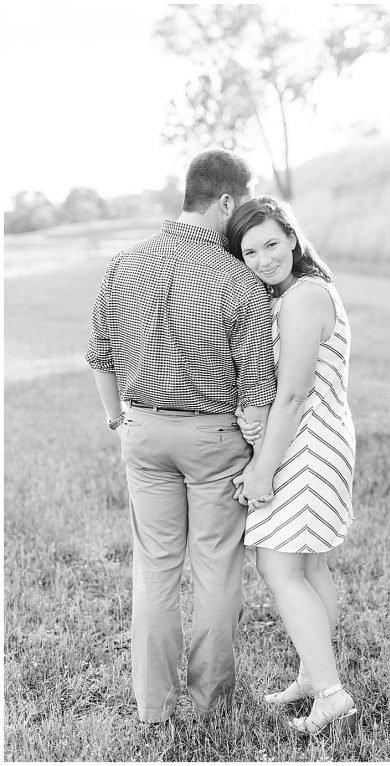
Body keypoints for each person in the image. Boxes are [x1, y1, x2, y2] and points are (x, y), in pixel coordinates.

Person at [86, 149, 274, 724]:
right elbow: (258, 387)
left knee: (156, 569)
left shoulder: (125, 263)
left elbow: (99, 356)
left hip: (143, 432)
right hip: (215, 439)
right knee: (216, 568)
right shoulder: (238, 277)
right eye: (240, 205)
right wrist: (259, 451)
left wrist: (121, 421)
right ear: (225, 201)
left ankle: (153, 705)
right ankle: (208, 704)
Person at [227, 195, 358, 735]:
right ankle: (312, 675)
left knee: (278, 568)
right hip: (319, 438)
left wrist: (261, 468)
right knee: (310, 566)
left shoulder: (304, 298)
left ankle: (331, 695)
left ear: (293, 236)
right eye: (249, 251)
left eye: (271, 244)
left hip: (307, 446)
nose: (262, 259)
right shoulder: (300, 293)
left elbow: (293, 394)